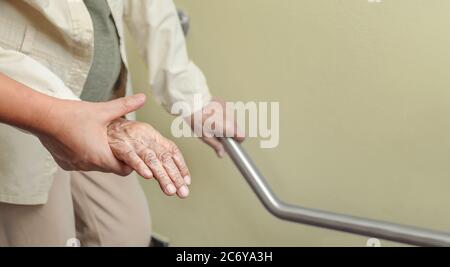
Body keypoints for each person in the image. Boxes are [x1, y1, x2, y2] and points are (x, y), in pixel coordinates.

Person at [0, 0, 243, 247]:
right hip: (28, 114)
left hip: (104, 110)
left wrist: (191, 98)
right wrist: (58, 115)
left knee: (126, 235)